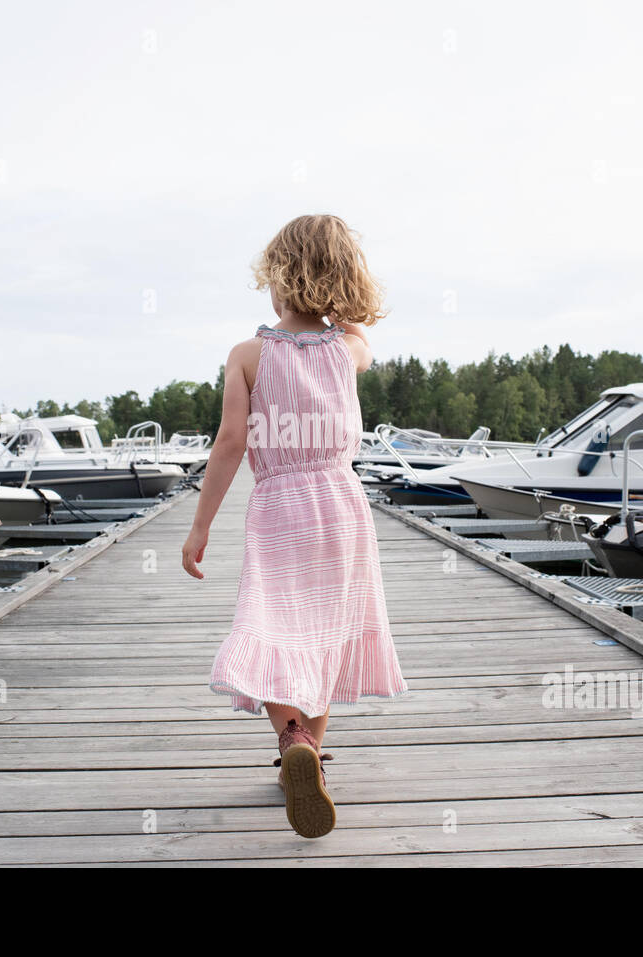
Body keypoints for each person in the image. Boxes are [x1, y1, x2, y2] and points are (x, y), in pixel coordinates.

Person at [181, 214, 408, 839]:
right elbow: (362, 328)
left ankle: (291, 740)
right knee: (327, 632)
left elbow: (229, 443)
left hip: (278, 509)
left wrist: (200, 528)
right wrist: (343, 293)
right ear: (339, 281)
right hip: (341, 506)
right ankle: (309, 757)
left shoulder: (248, 355)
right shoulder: (347, 350)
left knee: (276, 626)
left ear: (276, 279)